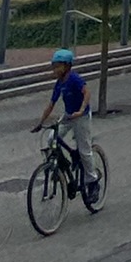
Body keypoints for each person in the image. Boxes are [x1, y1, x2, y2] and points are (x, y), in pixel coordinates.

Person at [32, 49, 101, 190]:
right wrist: (41, 123)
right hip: (68, 115)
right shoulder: (59, 83)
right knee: (52, 139)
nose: (55, 70)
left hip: (81, 117)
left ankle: (92, 181)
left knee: (85, 151)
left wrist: (81, 110)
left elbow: (87, 92)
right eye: (54, 66)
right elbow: (51, 104)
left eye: (58, 66)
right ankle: (63, 164)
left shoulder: (74, 79)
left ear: (67, 66)